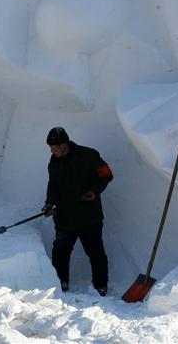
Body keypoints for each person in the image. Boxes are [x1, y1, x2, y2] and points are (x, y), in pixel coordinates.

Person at [42, 126, 113, 296]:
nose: (51, 151)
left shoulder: (89, 156)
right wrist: (50, 204)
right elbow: (53, 186)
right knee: (60, 251)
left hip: (90, 216)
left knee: (96, 252)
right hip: (65, 216)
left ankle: (101, 285)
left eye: (53, 147)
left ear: (63, 145)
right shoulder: (54, 163)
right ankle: (61, 281)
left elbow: (106, 175)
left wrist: (94, 191)